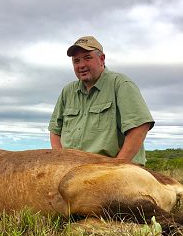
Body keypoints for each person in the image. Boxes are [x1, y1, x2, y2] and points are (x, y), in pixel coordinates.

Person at [48, 36, 154, 165]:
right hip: (72, 170)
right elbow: (55, 130)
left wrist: (116, 167)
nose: (81, 65)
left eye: (87, 58)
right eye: (76, 61)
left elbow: (140, 126)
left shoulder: (120, 84)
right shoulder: (68, 91)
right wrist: (61, 162)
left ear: (102, 59)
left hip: (111, 170)